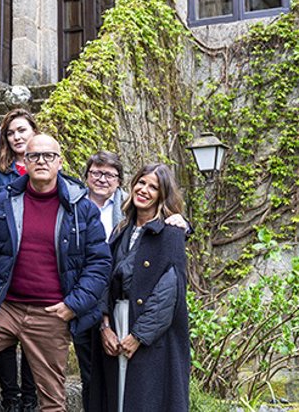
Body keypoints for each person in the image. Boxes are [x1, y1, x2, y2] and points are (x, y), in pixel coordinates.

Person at [0, 134, 112, 412]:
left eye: (48, 156)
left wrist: (73, 305)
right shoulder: (4, 202)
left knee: (52, 401)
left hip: (51, 313)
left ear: (60, 162)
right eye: (34, 156)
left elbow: (99, 265)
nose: (41, 161)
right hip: (5, 308)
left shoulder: (81, 209)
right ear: (24, 162)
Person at [89, 163, 190, 412]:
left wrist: (139, 336)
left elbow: (168, 294)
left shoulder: (171, 232)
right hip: (116, 322)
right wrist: (105, 328)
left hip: (149, 332)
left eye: (153, 187)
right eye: (141, 183)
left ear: (162, 195)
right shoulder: (120, 230)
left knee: (145, 400)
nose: (144, 190)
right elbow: (104, 279)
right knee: (117, 398)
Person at [0, 108, 39, 411]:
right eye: (11, 132)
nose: (17, 137)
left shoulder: (47, 163)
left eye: (22, 130)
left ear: (34, 132)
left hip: (35, 263)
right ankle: (10, 400)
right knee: (5, 338)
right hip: (4, 263)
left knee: (31, 338)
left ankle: (30, 401)